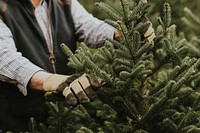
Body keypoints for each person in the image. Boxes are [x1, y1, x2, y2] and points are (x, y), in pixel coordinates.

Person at [0, 0, 155, 132]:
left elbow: (89, 27)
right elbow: (5, 58)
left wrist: (121, 34)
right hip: (20, 118)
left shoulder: (64, 2)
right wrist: (51, 81)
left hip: (69, 112)